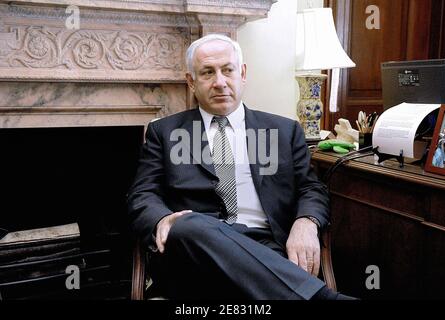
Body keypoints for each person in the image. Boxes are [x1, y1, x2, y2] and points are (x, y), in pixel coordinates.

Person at [127, 34, 353, 300]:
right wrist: (162, 219)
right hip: (193, 250)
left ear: (242, 73)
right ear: (191, 82)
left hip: (264, 247)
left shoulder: (283, 130)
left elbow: (311, 188)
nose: (220, 82)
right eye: (208, 72)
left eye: (228, 70)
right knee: (188, 225)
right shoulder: (164, 132)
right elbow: (142, 195)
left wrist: (307, 221)